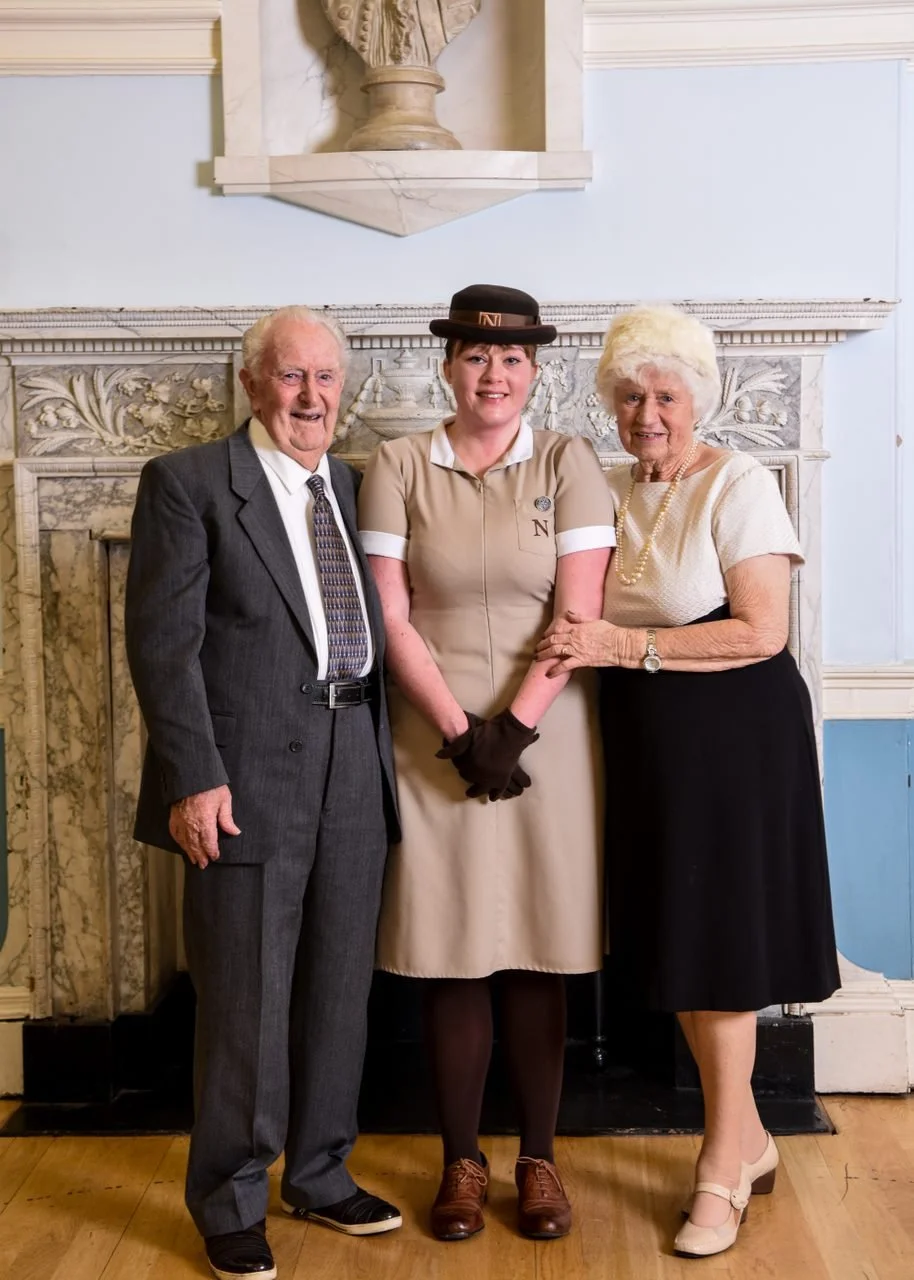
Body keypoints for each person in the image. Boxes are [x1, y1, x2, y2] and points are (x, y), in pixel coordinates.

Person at [537, 305, 840, 1260]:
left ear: (698, 400)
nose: (647, 412)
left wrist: (622, 644)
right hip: (645, 740)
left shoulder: (739, 481)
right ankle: (747, 1137)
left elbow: (761, 630)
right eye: (630, 395)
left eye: (666, 394)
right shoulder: (613, 488)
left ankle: (720, 1164)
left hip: (734, 736)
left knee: (722, 948)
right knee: (678, 937)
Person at [125, 306, 402, 1280]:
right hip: (242, 776)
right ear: (251, 384)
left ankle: (321, 1170)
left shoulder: (358, 486)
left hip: (354, 763)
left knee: (336, 982)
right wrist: (192, 774)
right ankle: (231, 1195)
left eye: (326, 377)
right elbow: (163, 646)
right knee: (244, 991)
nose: (311, 396)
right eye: (291, 376)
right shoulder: (190, 483)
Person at [358, 284, 615, 1242]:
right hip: (434, 736)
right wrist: (463, 734)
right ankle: (461, 1161)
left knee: (539, 945)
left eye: (511, 359)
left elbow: (578, 614)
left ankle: (539, 1161)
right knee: (452, 948)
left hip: (546, 734)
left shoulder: (570, 460)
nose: (493, 373)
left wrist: (515, 726)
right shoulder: (395, 464)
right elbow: (390, 615)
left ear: (535, 371)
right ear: (448, 366)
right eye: (475, 356)